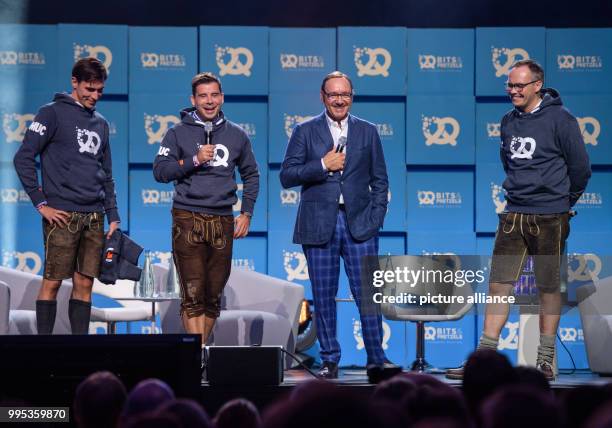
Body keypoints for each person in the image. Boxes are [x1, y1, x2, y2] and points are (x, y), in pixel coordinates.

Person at [446, 59, 591, 381]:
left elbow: (581, 168)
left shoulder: (561, 119)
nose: (512, 91)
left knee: (548, 288)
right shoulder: (508, 120)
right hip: (513, 214)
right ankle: (483, 360)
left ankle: (545, 361)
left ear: (537, 85)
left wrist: (563, 204)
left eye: (519, 86)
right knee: (498, 286)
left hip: (551, 216)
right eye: (509, 85)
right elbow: (508, 163)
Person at [280, 71, 395, 379]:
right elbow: (287, 175)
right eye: (333, 95)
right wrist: (321, 165)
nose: (340, 100)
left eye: (345, 94)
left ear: (352, 96)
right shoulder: (305, 131)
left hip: (360, 225)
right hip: (319, 225)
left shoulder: (368, 131)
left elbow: (380, 180)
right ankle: (330, 360)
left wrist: (376, 217)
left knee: (368, 295)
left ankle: (376, 359)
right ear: (323, 97)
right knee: (324, 293)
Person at [13, 57, 120, 335]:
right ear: (75, 82)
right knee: (52, 282)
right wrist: (41, 204)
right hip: (62, 216)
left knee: (85, 284)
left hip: (95, 216)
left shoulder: (101, 123)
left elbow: (106, 174)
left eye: (100, 90)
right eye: (89, 88)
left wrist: (113, 215)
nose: (95, 96)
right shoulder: (51, 113)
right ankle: (43, 351)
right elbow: (23, 158)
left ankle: (79, 348)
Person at [153, 72, 259, 347]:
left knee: (212, 295)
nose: (209, 101)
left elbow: (252, 175)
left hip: (223, 219)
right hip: (187, 217)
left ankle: (198, 351)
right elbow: (160, 171)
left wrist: (246, 213)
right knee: (192, 293)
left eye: (214, 95)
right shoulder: (177, 132)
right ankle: (197, 357)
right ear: (193, 100)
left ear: (222, 98)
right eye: (203, 96)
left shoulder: (237, 134)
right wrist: (194, 160)